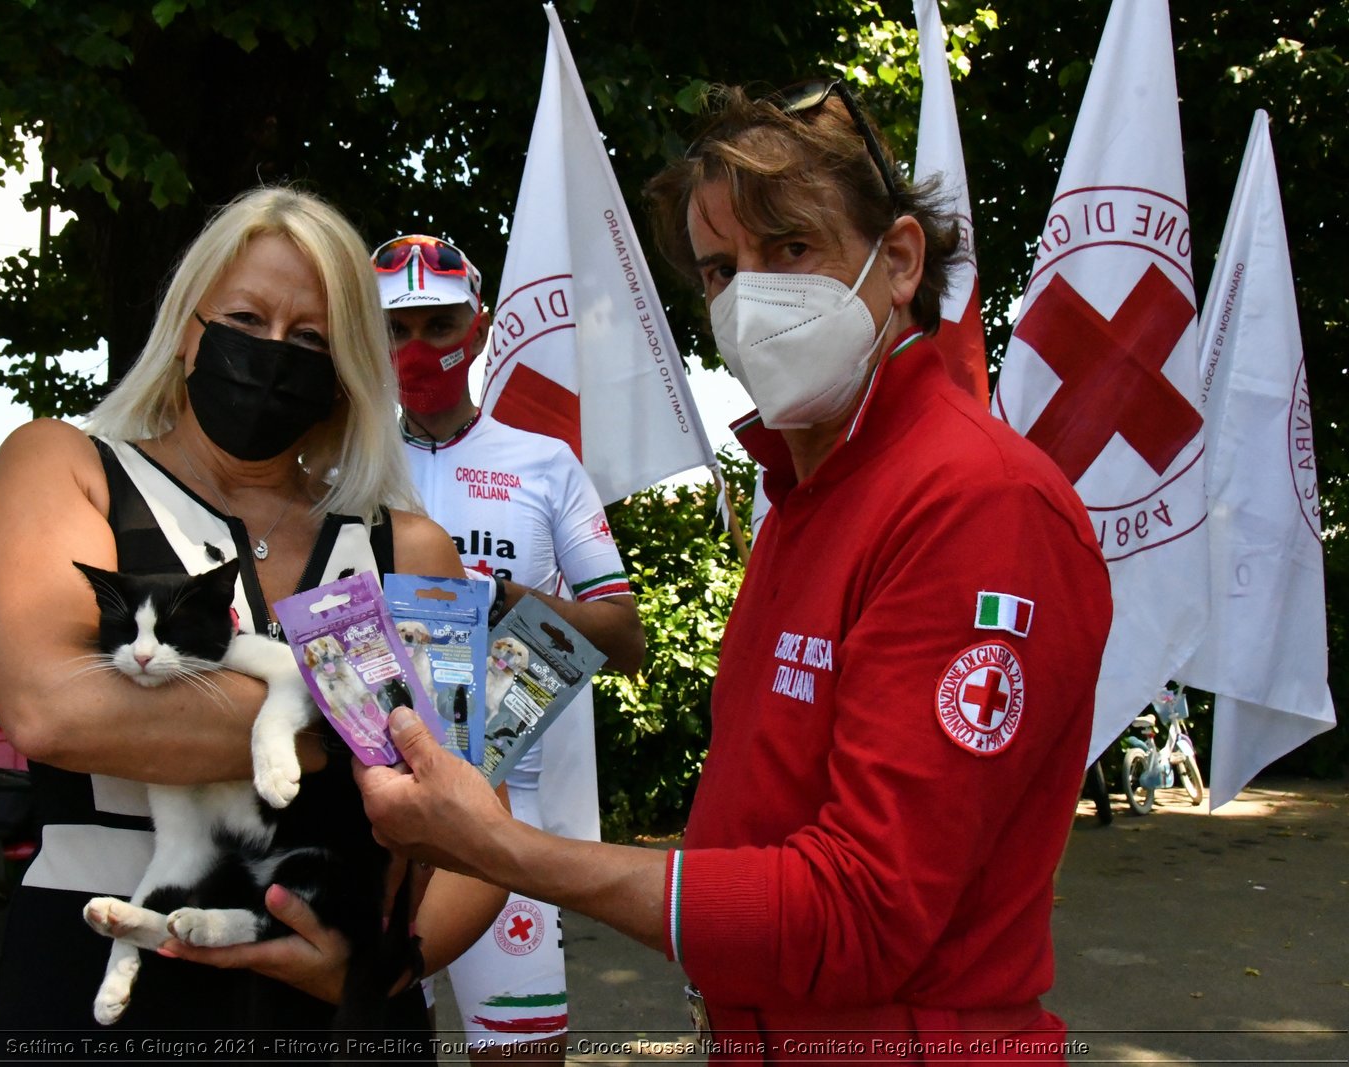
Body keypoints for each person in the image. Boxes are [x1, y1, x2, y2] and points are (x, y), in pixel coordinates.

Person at [353, 84, 1113, 1063]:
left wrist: (508, 849)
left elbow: (862, 910)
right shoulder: (808, 493)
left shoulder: (975, 501)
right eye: (718, 269)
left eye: (790, 248)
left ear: (897, 262)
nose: (747, 296)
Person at [0, 186, 506, 1061]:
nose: (271, 355)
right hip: (100, 981)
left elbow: (479, 810)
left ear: (347, 370)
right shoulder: (65, 467)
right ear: (187, 327)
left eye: (310, 340)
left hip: (342, 1009)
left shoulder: (413, 548)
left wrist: (386, 967)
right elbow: (53, 709)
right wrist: (353, 725)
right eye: (246, 317)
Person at [372, 234, 645, 1061]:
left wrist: (502, 597)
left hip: (502, 813)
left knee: (523, 1052)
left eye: (437, 324)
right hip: (372, 816)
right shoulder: (338, 465)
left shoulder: (544, 463)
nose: (416, 349)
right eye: (396, 329)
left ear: (479, 326)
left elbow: (623, 638)